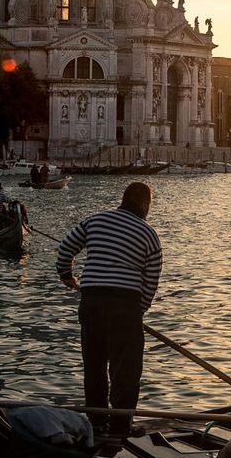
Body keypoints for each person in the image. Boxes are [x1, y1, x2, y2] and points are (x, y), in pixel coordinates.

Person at [56, 182, 163, 441]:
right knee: (125, 369)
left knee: (94, 364)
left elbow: (65, 250)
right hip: (125, 305)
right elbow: (151, 280)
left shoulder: (95, 220)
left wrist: (68, 277)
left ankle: (96, 421)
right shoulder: (149, 234)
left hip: (91, 300)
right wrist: (139, 311)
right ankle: (120, 426)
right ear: (146, 205)